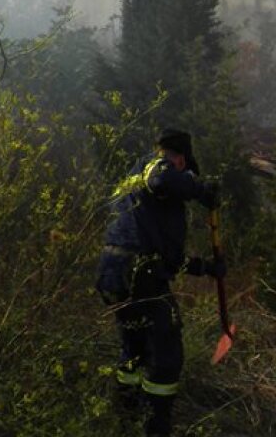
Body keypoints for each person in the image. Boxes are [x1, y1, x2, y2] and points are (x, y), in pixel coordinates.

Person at [95, 129, 222, 436]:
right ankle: (157, 427)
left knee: (135, 347)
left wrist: (205, 267)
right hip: (138, 273)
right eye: (186, 169)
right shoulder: (155, 167)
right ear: (180, 160)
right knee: (167, 351)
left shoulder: (145, 196)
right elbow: (162, 177)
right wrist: (199, 187)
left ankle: (127, 419)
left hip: (117, 273)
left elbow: (164, 254)